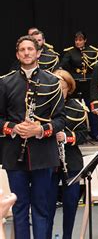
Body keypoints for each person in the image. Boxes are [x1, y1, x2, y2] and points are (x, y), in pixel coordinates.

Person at [0, 36, 65, 239]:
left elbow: (61, 120)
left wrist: (39, 130)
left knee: (41, 206)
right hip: (13, 154)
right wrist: (13, 127)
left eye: (30, 49)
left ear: (38, 53)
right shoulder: (5, 82)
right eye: (22, 50)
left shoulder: (53, 82)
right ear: (18, 54)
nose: (27, 53)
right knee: (19, 207)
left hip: (43, 154)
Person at [46, 69, 88, 239]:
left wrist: (67, 137)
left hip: (71, 162)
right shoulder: (44, 106)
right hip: (48, 161)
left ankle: (68, 237)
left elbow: (84, 135)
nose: (59, 91)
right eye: (55, 87)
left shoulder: (76, 107)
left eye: (62, 88)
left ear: (69, 89)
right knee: (47, 206)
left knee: (71, 205)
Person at [59, 31, 98, 140]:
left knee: (92, 107)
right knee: (73, 107)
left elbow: (96, 67)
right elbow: (62, 65)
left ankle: (95, 132)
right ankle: (74, 131)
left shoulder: (92, 51)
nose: (78, 42)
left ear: (85, 40)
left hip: (88, 83)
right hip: (75, 83)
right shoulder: (70, 52)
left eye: (80, 40)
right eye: (76, 40)